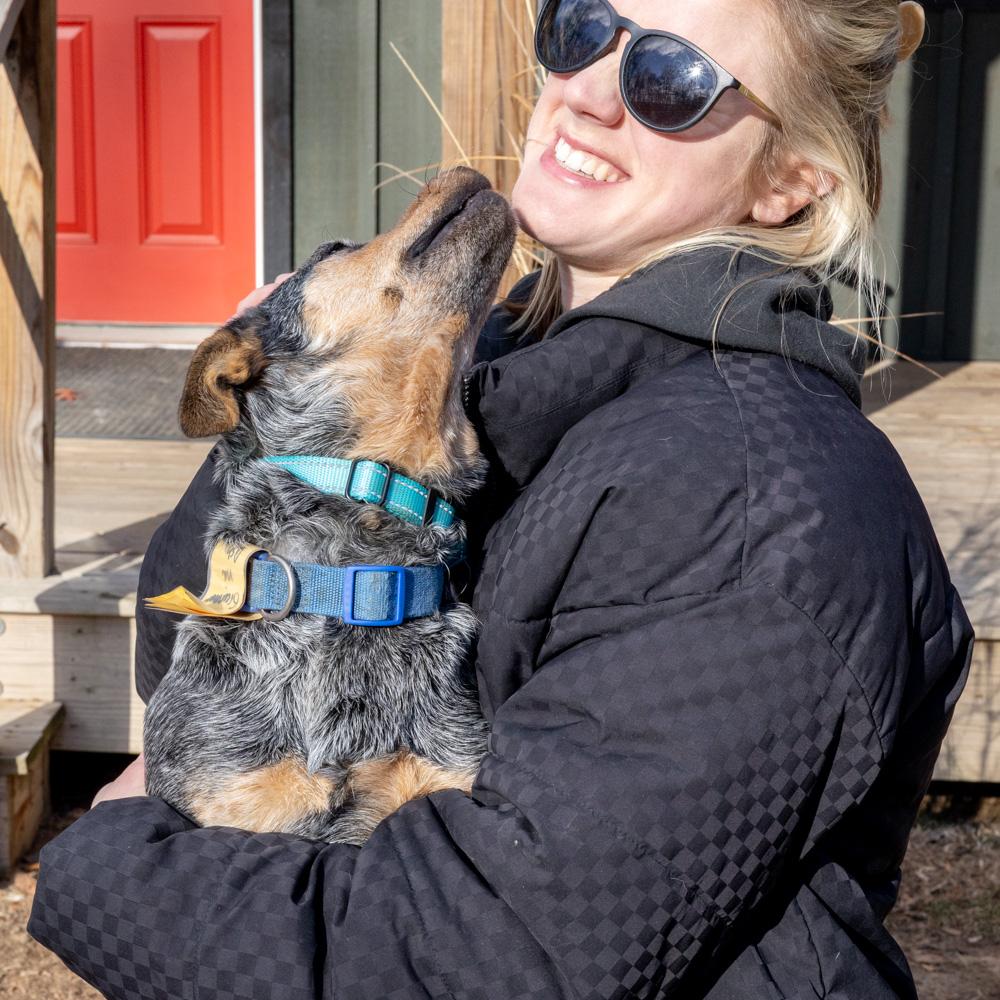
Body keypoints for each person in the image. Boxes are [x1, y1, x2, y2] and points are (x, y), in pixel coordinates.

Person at [29, 1, 972, 997]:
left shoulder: (757, 508)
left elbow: (477, 961)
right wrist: (293, 415)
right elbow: (180, 653)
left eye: (671, 81)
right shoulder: (493, 377)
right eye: (581, 27)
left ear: (789, 182)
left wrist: (109, 860)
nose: (588, 95)